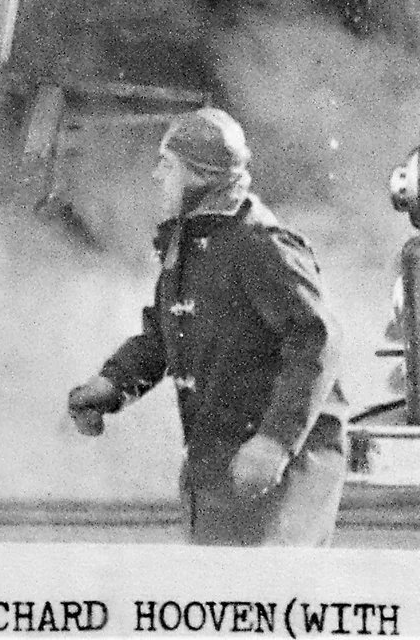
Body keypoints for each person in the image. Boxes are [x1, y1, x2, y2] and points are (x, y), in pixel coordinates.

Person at [66, 106, 347, 545]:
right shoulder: (190, 245)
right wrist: (111, 385)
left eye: (168, 164)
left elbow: (317, 340)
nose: (157, 175)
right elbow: (163, 336)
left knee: (263, 584)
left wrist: (275, 443)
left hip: (279, 474)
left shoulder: (260, 244)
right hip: (220, 465)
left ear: (200, 175)